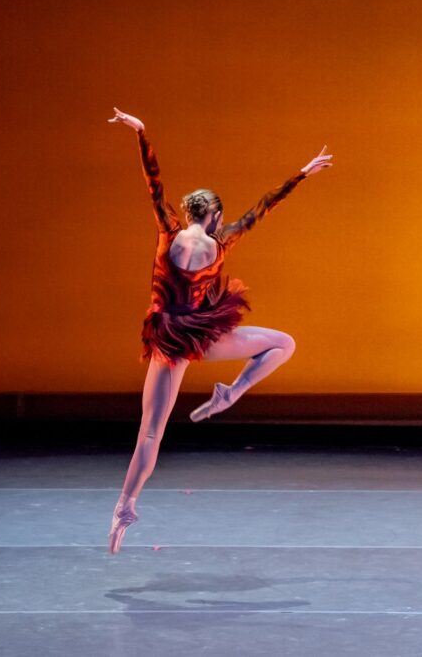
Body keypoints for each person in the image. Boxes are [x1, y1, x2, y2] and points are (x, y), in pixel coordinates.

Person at [106, 107, 333, 553]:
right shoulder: (222, 240)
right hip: (203, 338)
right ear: (214, 217)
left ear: (190, 213)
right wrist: (302, 173)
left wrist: (141, 131)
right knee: (282, 343)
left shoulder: (168, 232)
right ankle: (232, 392)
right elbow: (264, 207)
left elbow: (154, 184)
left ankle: (124, 507)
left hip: (168, 340)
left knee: (151, 432)